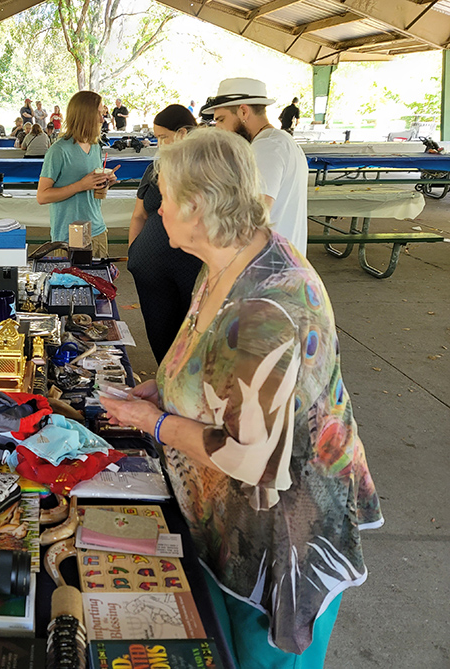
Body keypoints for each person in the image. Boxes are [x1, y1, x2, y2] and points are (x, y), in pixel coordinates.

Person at [100, 129, 382, 669]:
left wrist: (155, 422)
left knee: (259, 659)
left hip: (284, 533)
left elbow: (254, 459)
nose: (156, 210)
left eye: (164, 197)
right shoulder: (225, 259)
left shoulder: (264, 308)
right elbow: (214, 363)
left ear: (198, 207)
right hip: (232, 520)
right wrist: (166, 386)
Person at [127, 104, 202, 364]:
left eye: (162, 137)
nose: (158, 144)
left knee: (191, 336)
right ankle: (166, 383)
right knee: (160, 334)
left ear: (182, 133)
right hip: (149, 271)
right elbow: (139, 215)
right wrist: (133, 251)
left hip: (189, 267)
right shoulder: (155, 169)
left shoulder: (204, 168)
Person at [203, 78, 308, 256]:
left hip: (267, 267)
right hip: (283, 263)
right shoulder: (281, 141)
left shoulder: (266, 148)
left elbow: (252, 219)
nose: (219, 129)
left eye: (221, 120)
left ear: (243, 111)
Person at [37, 90, 118, 257]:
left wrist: (105, 182)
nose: (102, 119)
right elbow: (42, 196)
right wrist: (81, 185)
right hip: (68, 236)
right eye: (98, 113)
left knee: (100, 281)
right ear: (85, 115)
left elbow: (91, 187)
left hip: (97, 230)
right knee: (68, 283)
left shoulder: (95, 146)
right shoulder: (59, 150)